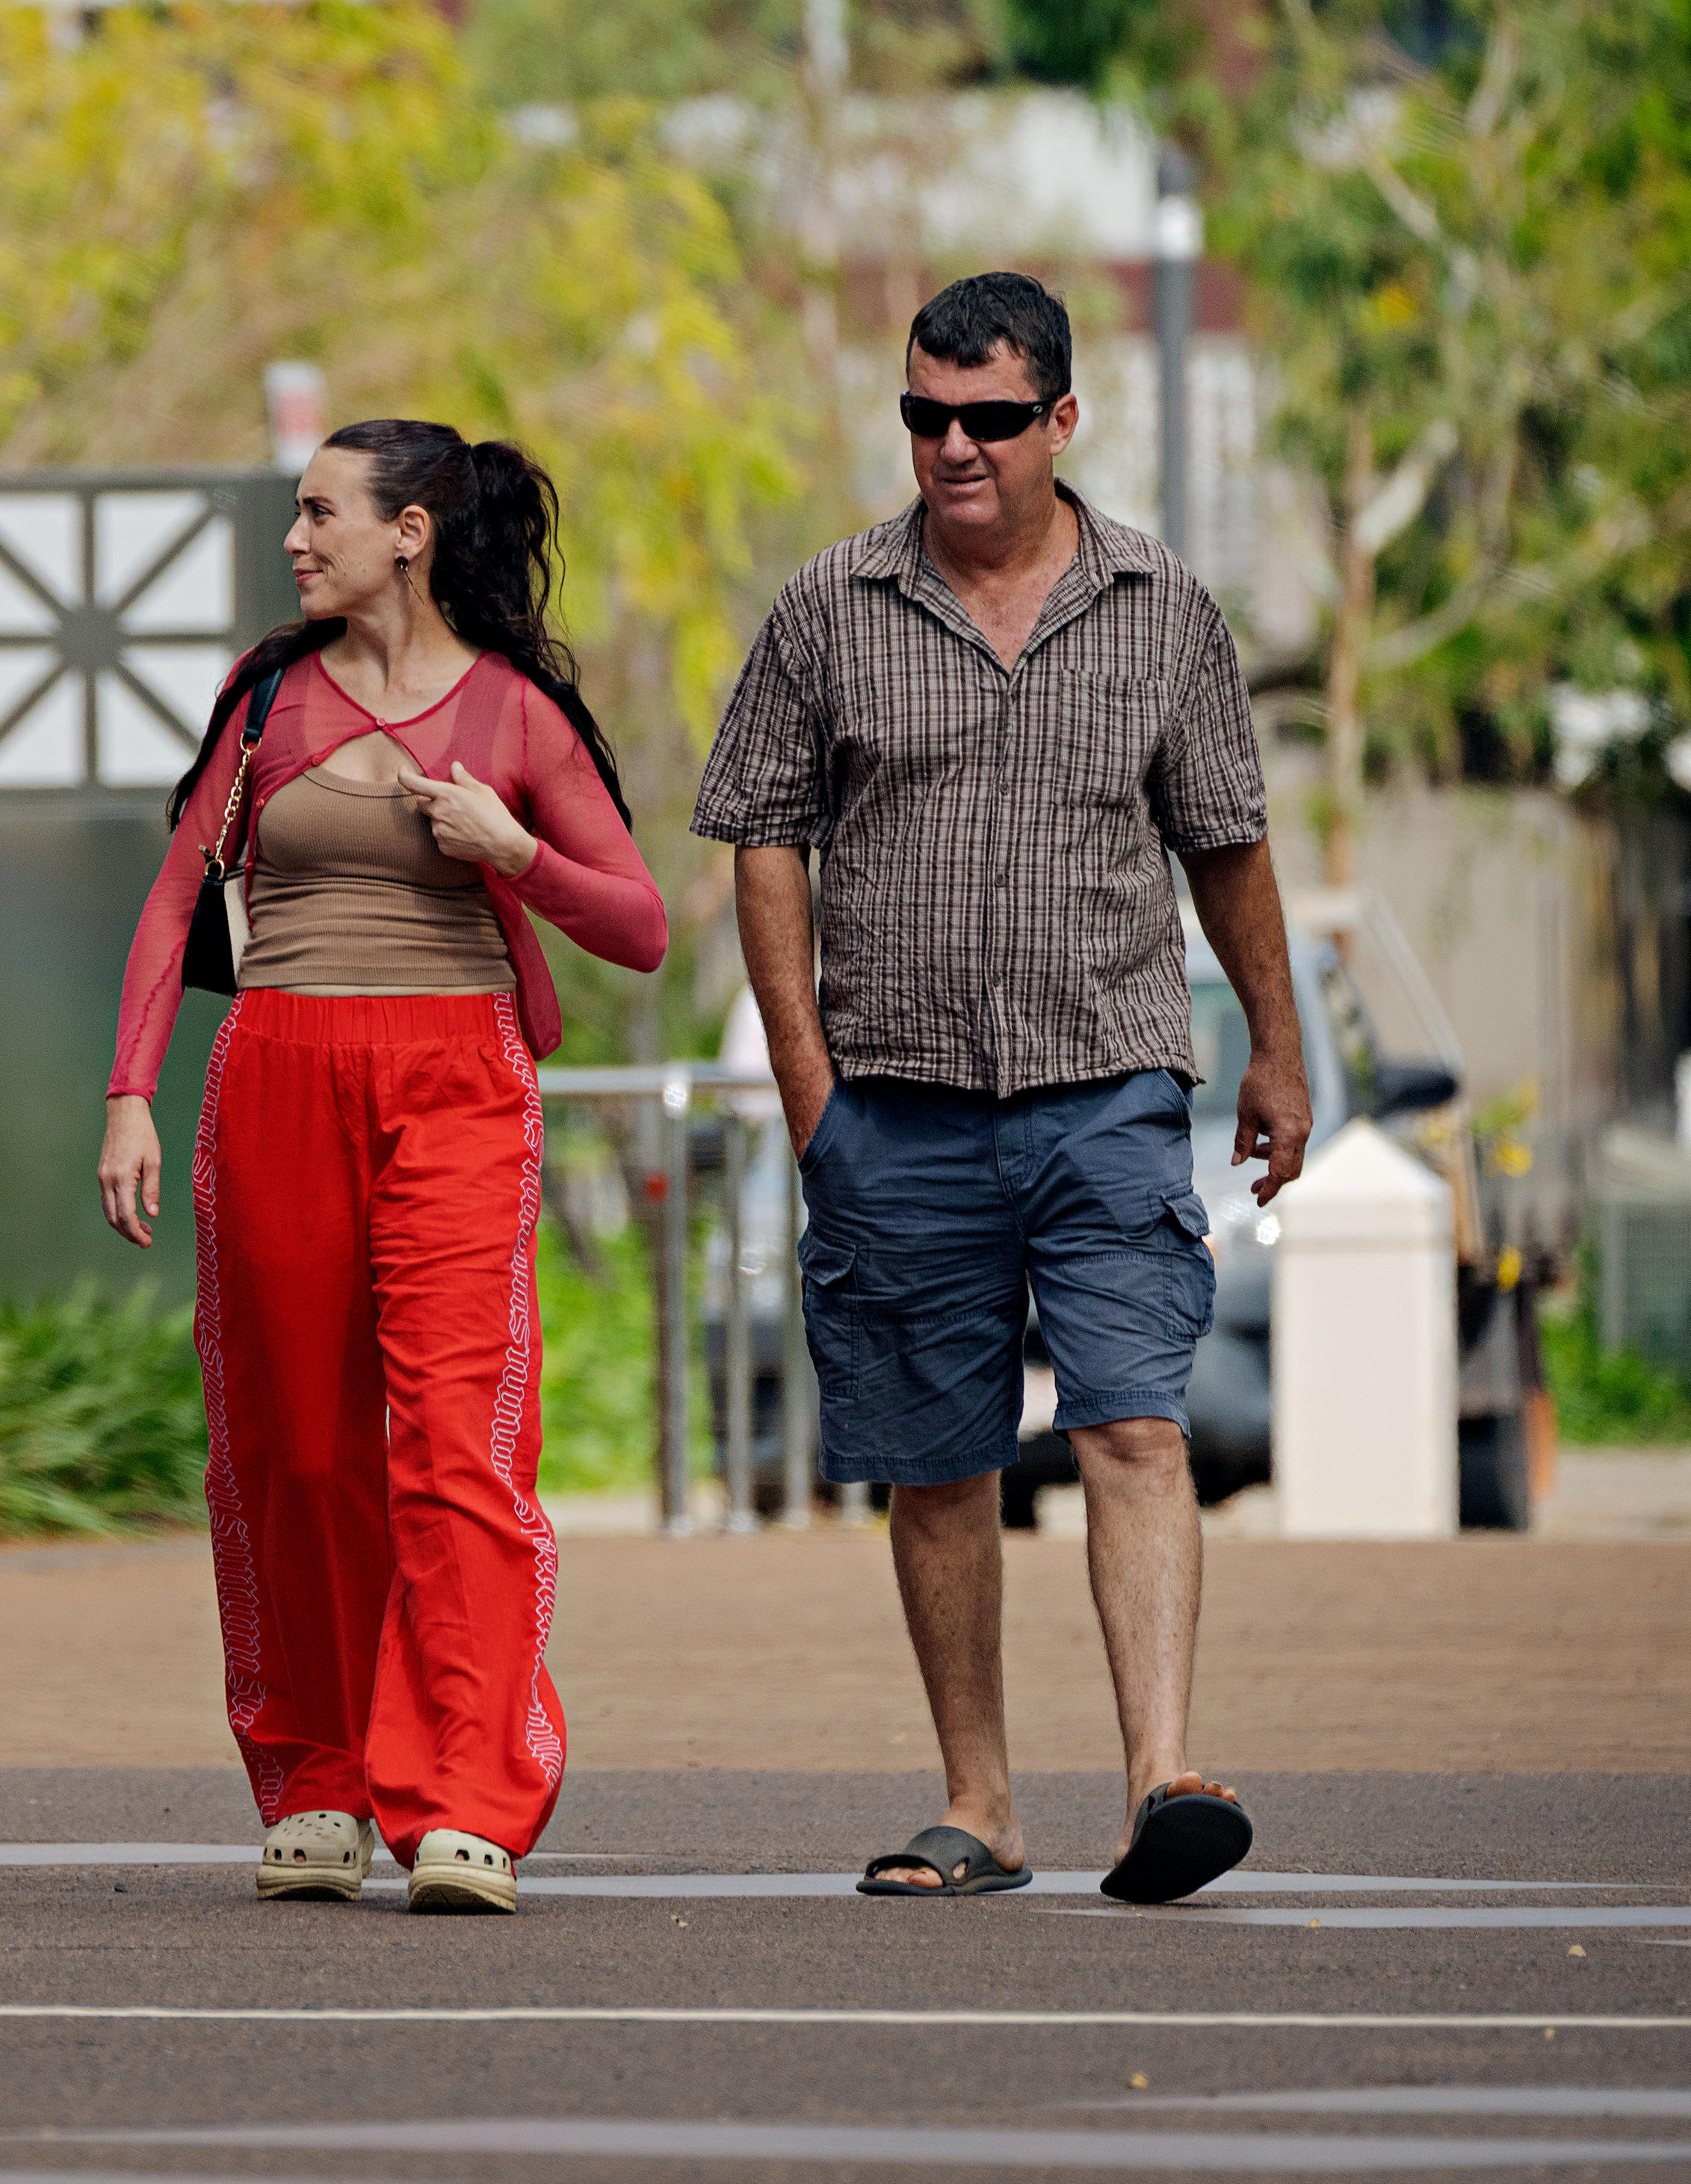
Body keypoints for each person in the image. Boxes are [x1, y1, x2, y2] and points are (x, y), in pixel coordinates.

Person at [690, 270, 1310, 1908]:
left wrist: (1278, 1041)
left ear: (1059, 419)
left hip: (1105, 1083)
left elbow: (1226, 838)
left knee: (1130, 1419)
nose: (949, 446)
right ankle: (979, 1803)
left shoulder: (1161, 604)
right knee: (938, 1457)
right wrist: (810, 1088)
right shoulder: (827, 605)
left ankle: (1158, 1776)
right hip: (893, 1101)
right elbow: (762, 836)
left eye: (984, 418)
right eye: (922, 417)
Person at [100, 421, 667, 1916]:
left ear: (409, 530)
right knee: (294, 1445)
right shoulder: (269, 696)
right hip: (278, 1072)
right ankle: (320, 1776)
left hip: (456, 1084)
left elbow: (638, 923)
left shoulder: (516, 715)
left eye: (319, 513)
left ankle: (468, 1796)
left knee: (450, 1441)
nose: (295, 539)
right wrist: (128, 1098)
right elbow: (171, 909)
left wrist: (510, 847)